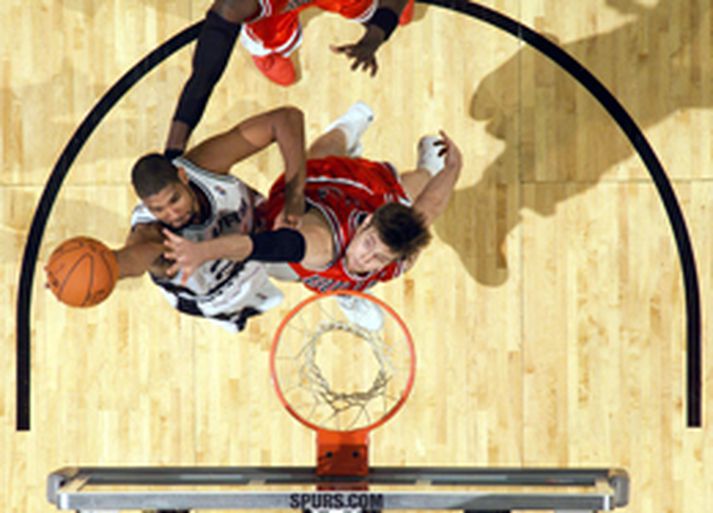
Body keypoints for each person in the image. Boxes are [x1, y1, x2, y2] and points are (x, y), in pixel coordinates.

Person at [162, 102, 463, 305]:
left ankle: (345, 292)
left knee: (422, 181)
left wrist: (451, 168)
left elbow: (430, 206)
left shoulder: (401, 256)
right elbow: (259, 245)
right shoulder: (320, 245)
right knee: (324, 152)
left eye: (380, 259)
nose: (367, 260)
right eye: (369, 245)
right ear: (368, 222)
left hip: (354, 215)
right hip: (326, 189)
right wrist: (201, 251)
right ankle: (349, 125)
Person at [116, 105, 308, 332]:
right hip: (219, 295)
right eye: (158, 209)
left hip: (261, 234)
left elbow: (286, 119)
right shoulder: (151, 231)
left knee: (324, 257)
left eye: (174, 200)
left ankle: (351, 125)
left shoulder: (203, 166)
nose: (172, 214)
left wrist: (295, 197)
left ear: (183, 177)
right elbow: (133, 257)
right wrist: (110, 266)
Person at [165, 0, 414, 155]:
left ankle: (380, 12)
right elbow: (204, 75)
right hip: (274, 7)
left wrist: (376, 35)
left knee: (389, 12)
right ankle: (267, 51)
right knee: (266, 35)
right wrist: (173, 150)